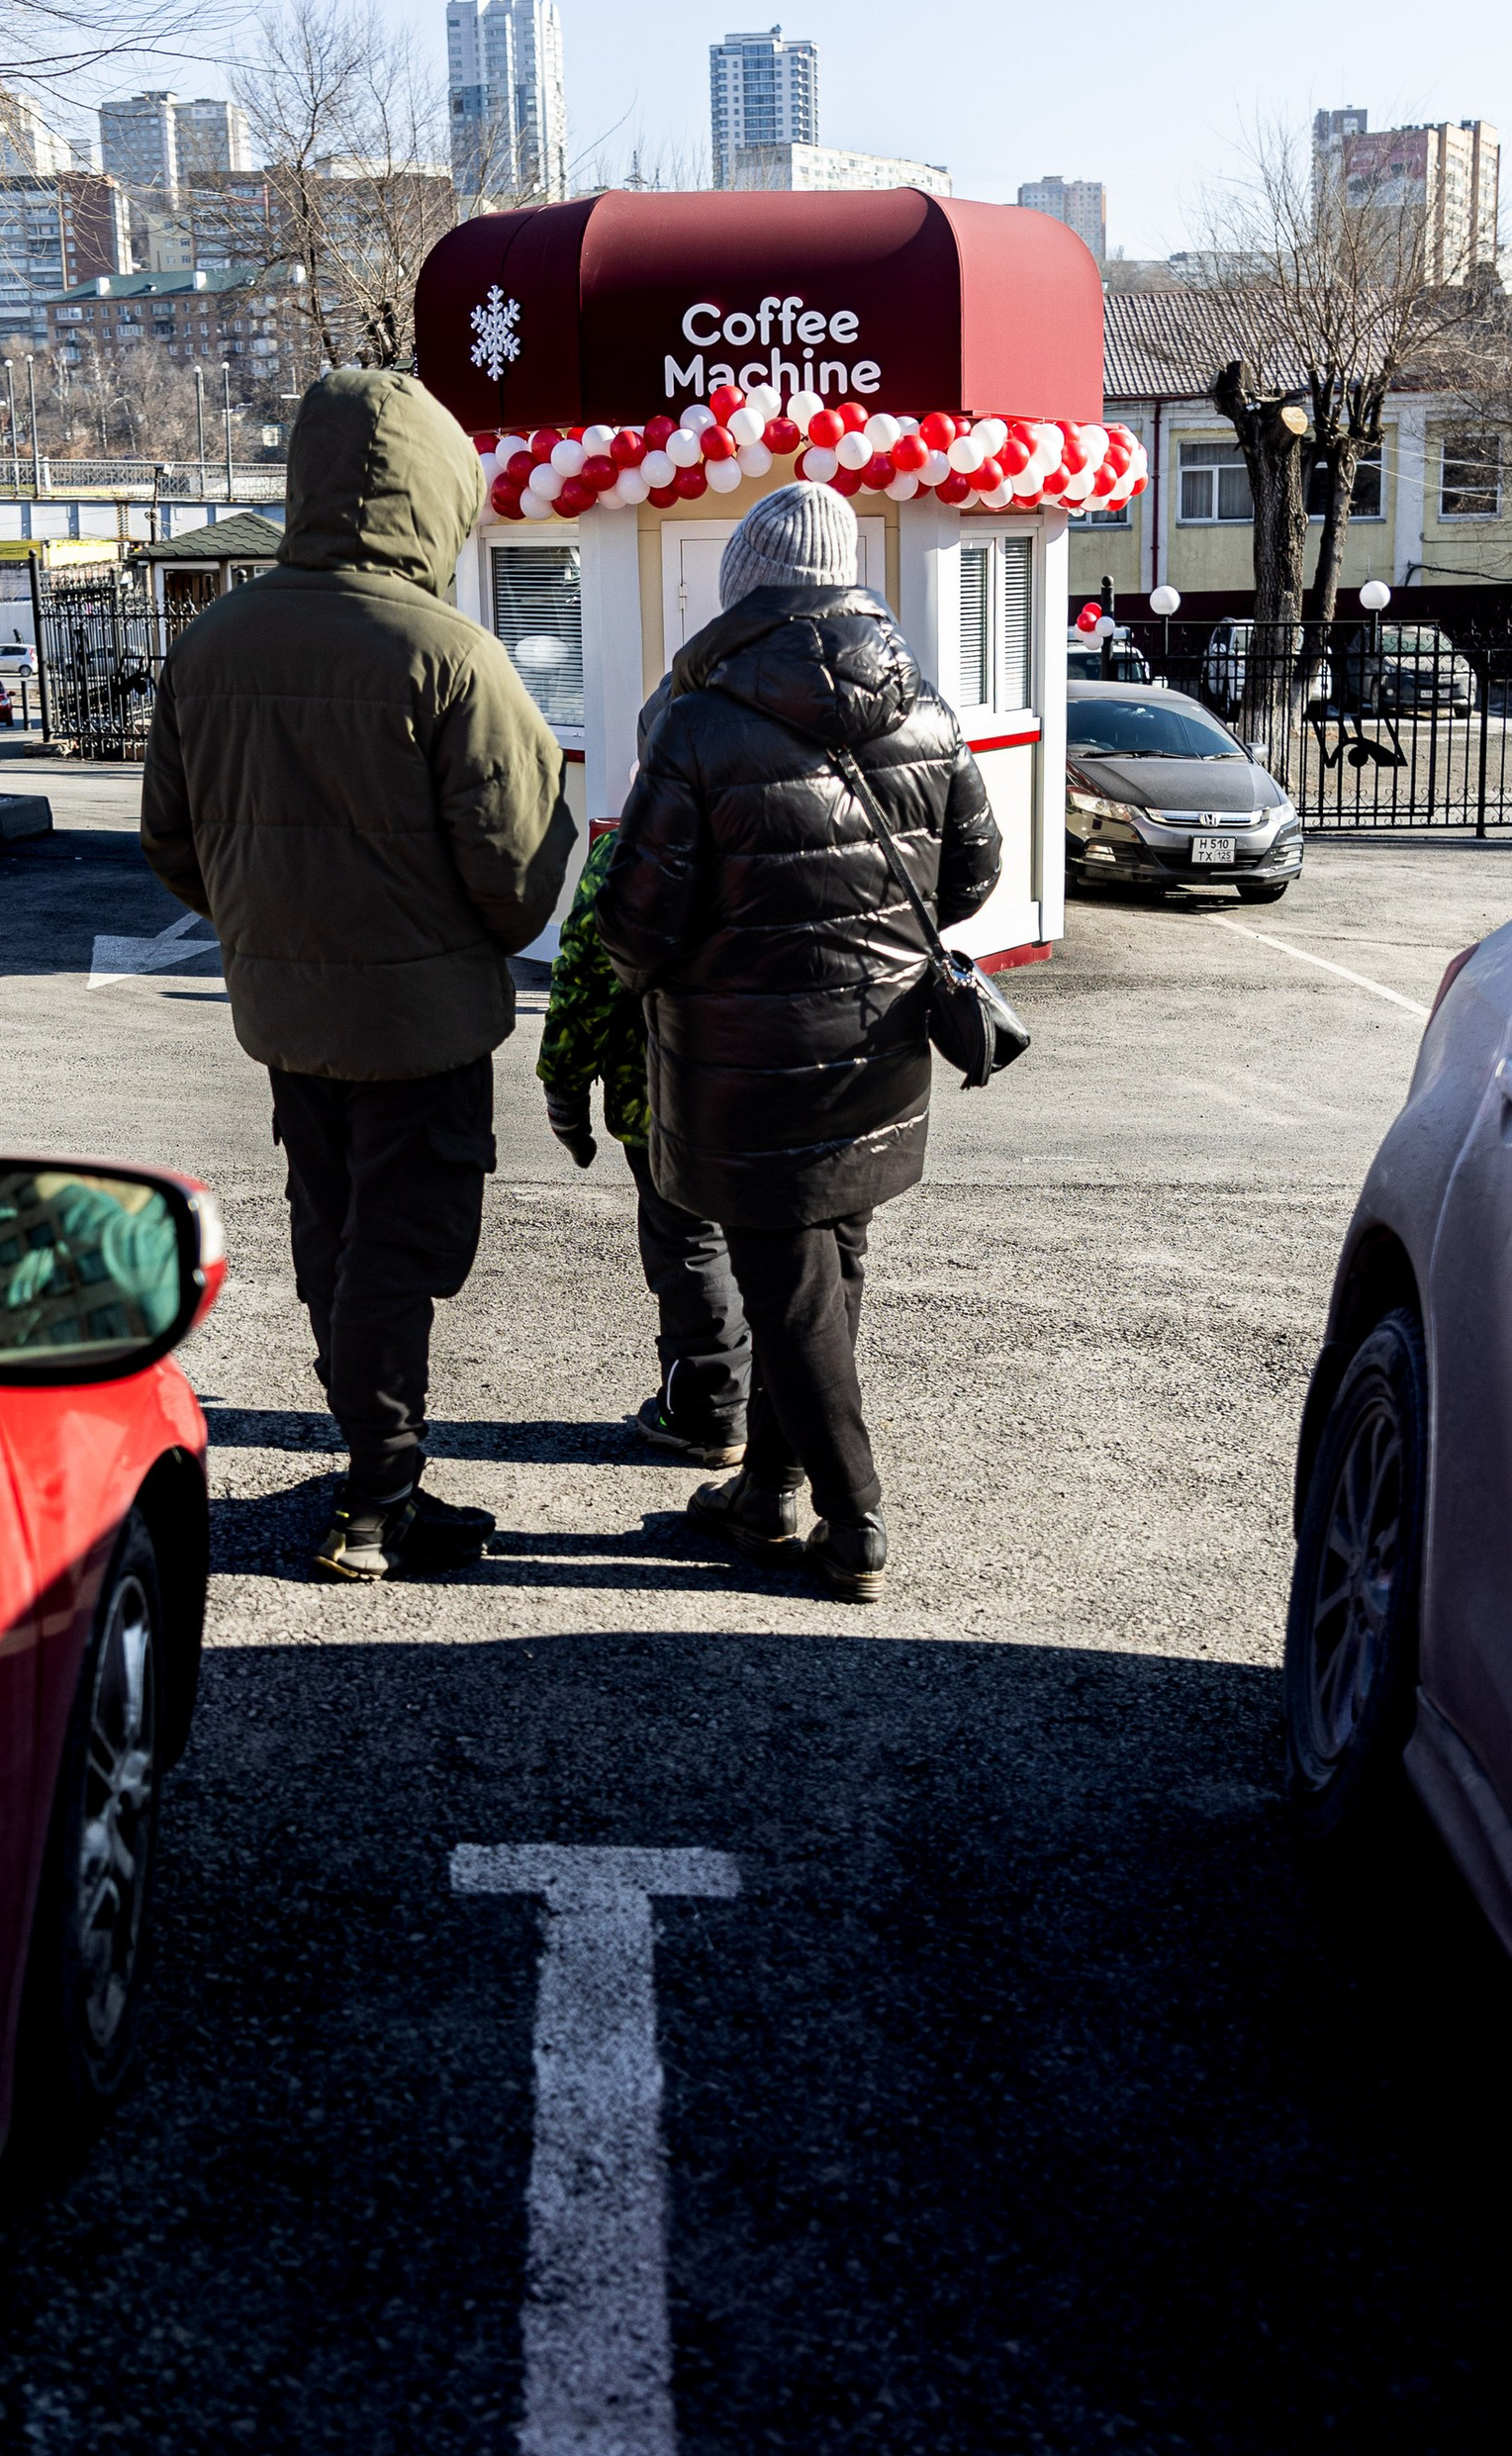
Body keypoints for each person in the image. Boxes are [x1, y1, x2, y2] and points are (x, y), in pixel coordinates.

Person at [141, 366, 576, 1579]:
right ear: (435, 496)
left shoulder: (209, 643)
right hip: (423, 1022)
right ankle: (379, 1499)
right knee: (402, 1245)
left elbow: (171, 842)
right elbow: (519, 865)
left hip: (285, 1014)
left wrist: (268, 926)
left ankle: (367, 1460)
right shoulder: (450, 655)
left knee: (330, 1233)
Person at [597, 480, 1001, 1601]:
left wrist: (677, 980)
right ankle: (767, 1491)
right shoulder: (925, 709)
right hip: (879, 1047)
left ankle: (853, 1516)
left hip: (743, 1061)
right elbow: (972, 877)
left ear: (744, 588)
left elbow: (634, 922)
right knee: (829, 1268)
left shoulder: (695, 720)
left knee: (788, 1285)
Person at [535, 827, 751, 1467]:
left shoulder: (636, 849)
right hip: (784, 1090)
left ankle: (710, 1412)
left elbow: (584, 978)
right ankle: (784, 1409)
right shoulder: (785, 832)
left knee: (691, 1242)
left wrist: (564, 1091)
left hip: (669, 1094)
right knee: (778, 1245)